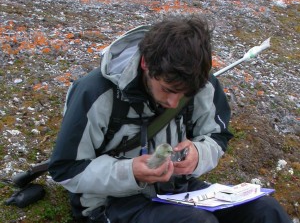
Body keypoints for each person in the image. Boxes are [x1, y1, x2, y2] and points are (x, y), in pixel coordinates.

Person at [48, 15, 291, 223]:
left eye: (185, 94)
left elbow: (218, 136)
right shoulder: (95, 93)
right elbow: (66, 169)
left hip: (178, 192)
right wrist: (131, 171)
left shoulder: (199, 82)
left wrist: (198, 154)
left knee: (266, 211)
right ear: (145, 63)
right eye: (167, 89)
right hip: (112, 203)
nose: (174, 103)